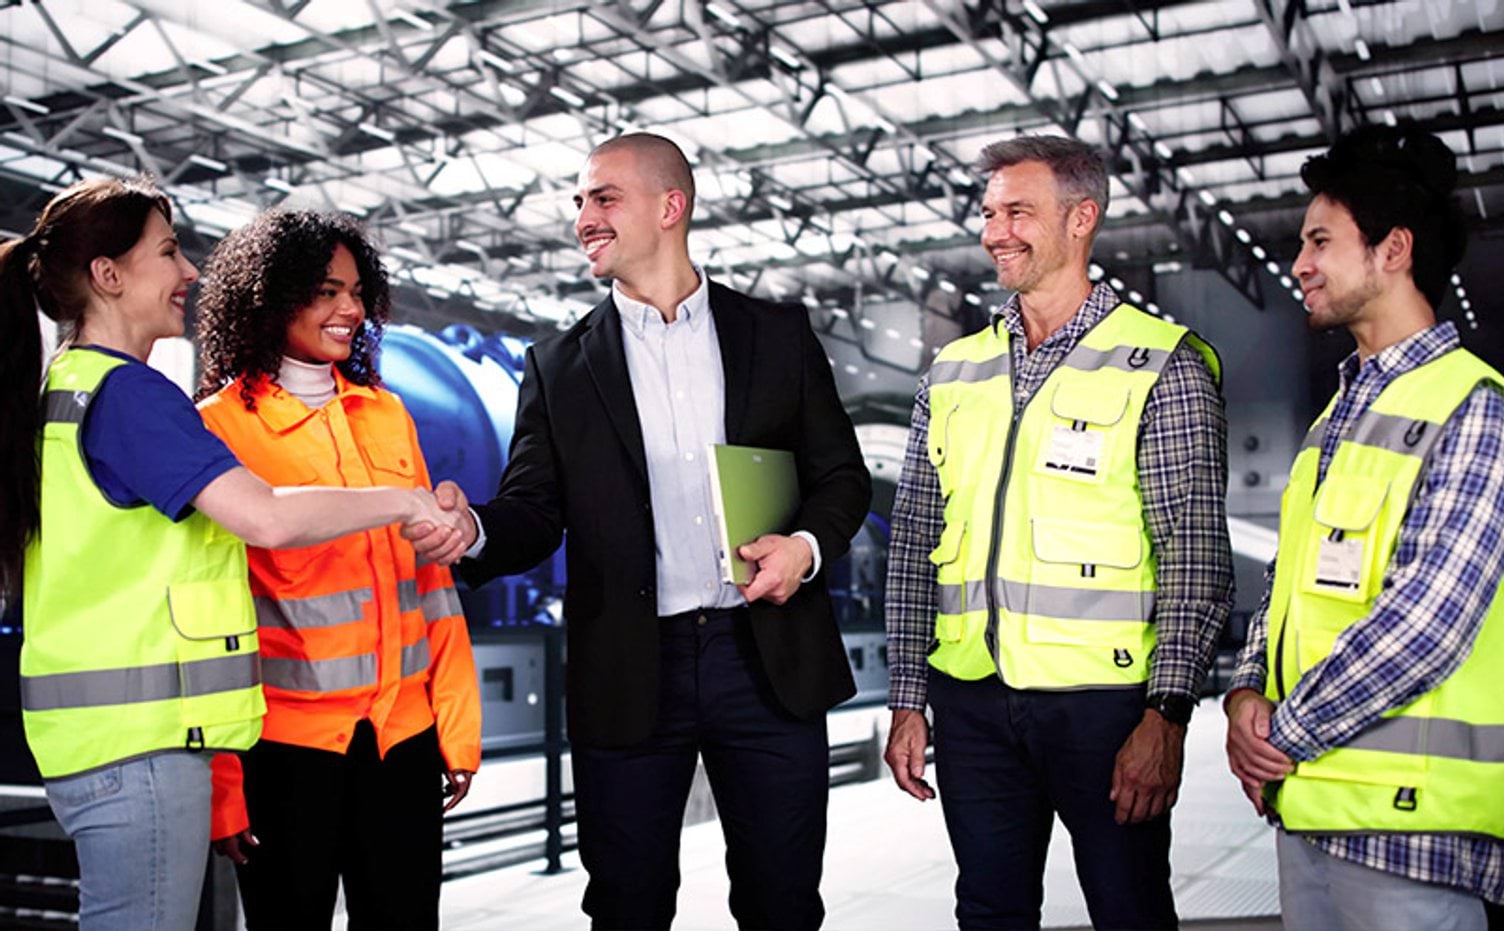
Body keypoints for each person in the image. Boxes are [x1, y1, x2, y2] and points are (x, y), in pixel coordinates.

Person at [408, 132, 871, 930]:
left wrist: (803, 547)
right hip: (629, 665)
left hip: (763, 657)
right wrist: (475, 528)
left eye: (603, 197)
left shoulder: (776, 333)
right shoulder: (558, 364)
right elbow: (533, 509)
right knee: (626, 904)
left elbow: (841, 477)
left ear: (671, 206)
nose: (583, 217)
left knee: (783, 897)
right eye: (581, 201)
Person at [0, 177, 459, 931]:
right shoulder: (132, 397)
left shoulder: (66, 391)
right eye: (169, 251)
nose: (189, 272)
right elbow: (264, 517)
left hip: (104, 744)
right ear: (108, 276)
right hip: (143, 749)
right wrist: (404, 499)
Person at [882, 135, 1234, 930]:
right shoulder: (953, 371)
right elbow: (913, 545)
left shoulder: (1160, 362)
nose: (994, 231)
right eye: (988, 212)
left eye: (1018, 212)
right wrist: (909, 694)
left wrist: (1166, 714)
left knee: (1128, 907)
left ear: (1082, 219)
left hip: (1104, 708)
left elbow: (1196, 554)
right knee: (989, 909)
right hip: (971, 698)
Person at [1224, 124, 1504, 930]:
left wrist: (1281, 732)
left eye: (1320, 240)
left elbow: (1428, 622)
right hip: (1310, 813)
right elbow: (1288, 592)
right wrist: (1246, 689)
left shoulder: (1475, 411)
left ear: (1392, 251)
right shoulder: (1333, 423)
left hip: (1414, 832)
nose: (1300, 264)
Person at [194, 209, 481, 930]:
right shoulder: (220, 426)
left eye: (355, 291)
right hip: (286, 754)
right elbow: (211, 618)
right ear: (272, 295)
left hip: (402, 739)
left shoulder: (387, 414)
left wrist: (456, 724)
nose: (350, 308)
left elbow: (432, 585)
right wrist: (226, 786)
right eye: (325, 291)